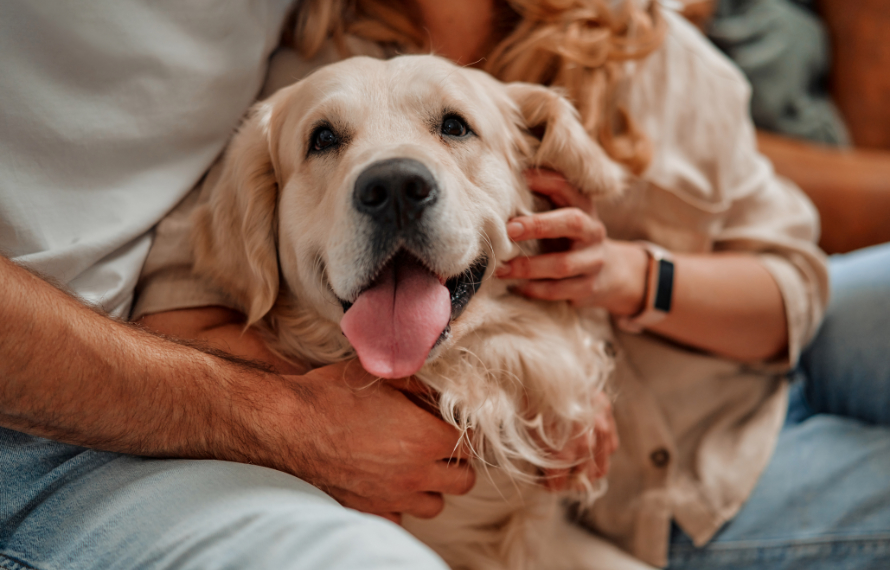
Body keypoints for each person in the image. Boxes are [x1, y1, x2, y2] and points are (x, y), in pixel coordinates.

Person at [1, 2, 888, 570]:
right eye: (329, 145)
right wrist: (314, 415)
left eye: (450, 127)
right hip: (687, 484)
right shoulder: (296, 65)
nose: (392, 174)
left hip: (779, 359)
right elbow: (185, 308)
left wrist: (626, 275)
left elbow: (793, 287)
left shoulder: (648, 42)